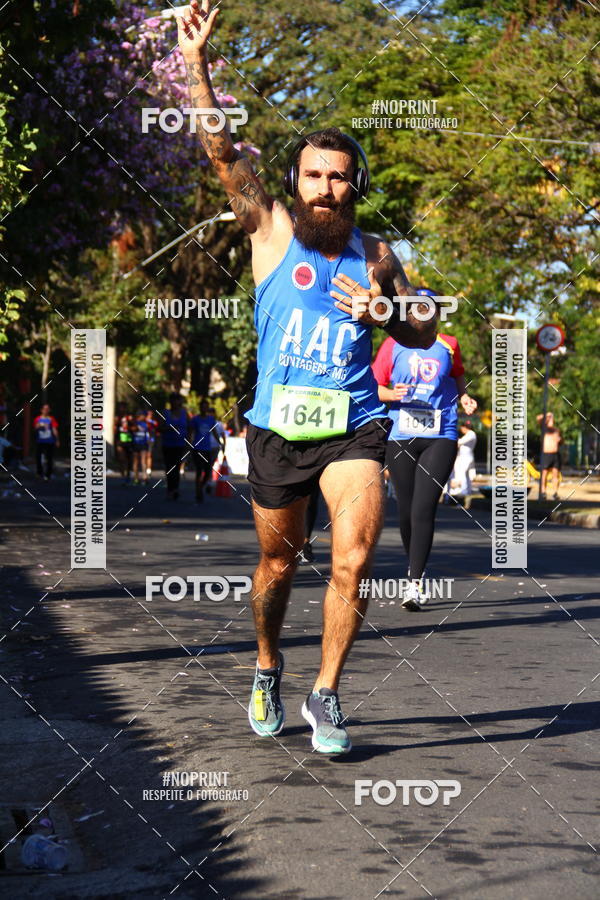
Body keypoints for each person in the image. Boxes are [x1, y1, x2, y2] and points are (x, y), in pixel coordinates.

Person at [178, 0, 422, 753]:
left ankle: (326, 694)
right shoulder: (271, 227)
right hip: (278, 426)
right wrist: (195, 65)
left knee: (353, 556)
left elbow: (424, 326)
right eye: (313, 175)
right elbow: (222, 154)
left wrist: (387, 309)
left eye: (339, 178)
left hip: (353, 426)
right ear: (296, 181)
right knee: (278, 563)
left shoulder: (379, 253)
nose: (324, 188)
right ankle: (265, 665)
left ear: (356, 185)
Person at [372, 288, 477, 611]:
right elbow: (373, 387)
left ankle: (414, 583)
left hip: (441, 433)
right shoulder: (392, 345)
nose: (421, 312)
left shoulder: (449, 344)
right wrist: (392, 394)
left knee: (423, 508)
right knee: (405, 511)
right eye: (415, 307)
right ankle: (411, 566)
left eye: (427, 308)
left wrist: (465, 397)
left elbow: (458, 376)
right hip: (401, 434)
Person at [189, 399, 219, 503]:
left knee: (207, 472)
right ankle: (198, 492)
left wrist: (220, 442)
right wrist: (189, 445)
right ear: (200, 408)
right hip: (197, 448)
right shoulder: (195, 419)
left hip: (207, 449)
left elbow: (214, 431)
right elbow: (190, 433)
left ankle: (200, 487)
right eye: (202, 406)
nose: (204, 408)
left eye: (206, 407)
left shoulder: (211, 419)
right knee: (199, 471)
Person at [161, 392, 189, 500]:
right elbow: (159, 428)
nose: (176, 403)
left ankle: (175, 489)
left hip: (180, 444)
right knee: (169, 467)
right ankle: (170, 489)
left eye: (178, 400)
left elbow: (189, 426)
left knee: (176, 467)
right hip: (167, 444)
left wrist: (189, 440)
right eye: (174, 400)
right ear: (170, 402)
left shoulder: (184, 413)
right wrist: (169, 428)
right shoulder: (165, 413)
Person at [537, 411, 562, 499]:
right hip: (546, 454)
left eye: (552, 418)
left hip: (555, 454)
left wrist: (560, 440)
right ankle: (543, 492)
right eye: (550, 418)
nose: (551, 419)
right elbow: (538, 418)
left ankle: (555, 493)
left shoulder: (556, 430)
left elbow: (561, 442)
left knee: (556, 474)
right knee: (544, 474)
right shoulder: (544, 429)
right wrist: (548, 415)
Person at [448, 420, 477, 497]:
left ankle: (464, 491)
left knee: (462, 474)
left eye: (462, 428)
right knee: (466, 475)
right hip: (466, 457)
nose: (461, 429)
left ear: (465, 427)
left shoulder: (471, 434)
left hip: (466, 457)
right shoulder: (470, 434)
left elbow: (460, 442)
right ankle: (468, 490)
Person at [33, 403, 59, 479]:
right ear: (41, 410)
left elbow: (54, 429)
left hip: (49, 441)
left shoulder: (51, 419)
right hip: (40, 441)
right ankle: (39, 472)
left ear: (49, 410)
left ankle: (48, 474)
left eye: (47, 409)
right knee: (38, 457)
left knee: (49, 458)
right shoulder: (38, 419)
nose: (46, 410)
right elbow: (35, 428)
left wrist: (57, 439)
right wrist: (40, 425)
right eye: (44, 409)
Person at [114, 402, 134, 485]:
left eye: (123, 407)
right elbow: (114, 428)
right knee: (121, 458)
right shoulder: (117, 417)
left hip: (129, 440)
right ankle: (123, 474)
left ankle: (128, 475)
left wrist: (129, 427)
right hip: (120, 440)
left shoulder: (129, 417)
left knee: (129, 459)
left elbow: (135, 427)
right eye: (120, 407)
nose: (121, 409)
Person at [131, 410, 150, 484]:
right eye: (143, 415)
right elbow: (132, 429)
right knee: (135, 461)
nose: (144, 417)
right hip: (135, 443)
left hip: (143, 444)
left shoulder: (145, 424)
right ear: (139, 416)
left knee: (143, 461)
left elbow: (147, 433)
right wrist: (135, 427)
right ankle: (136, 478)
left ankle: (144, 477)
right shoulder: (134, 423)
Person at [145, 409, 159, 477]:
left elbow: (156, 425)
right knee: (144, 455)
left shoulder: (154, 422)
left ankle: (149, 469)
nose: (150, 415)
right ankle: (145, 467)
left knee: (149, 454)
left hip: (151, 440)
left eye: (151, 414)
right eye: (149, 414)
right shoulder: (143, 421)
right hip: (143, 440)